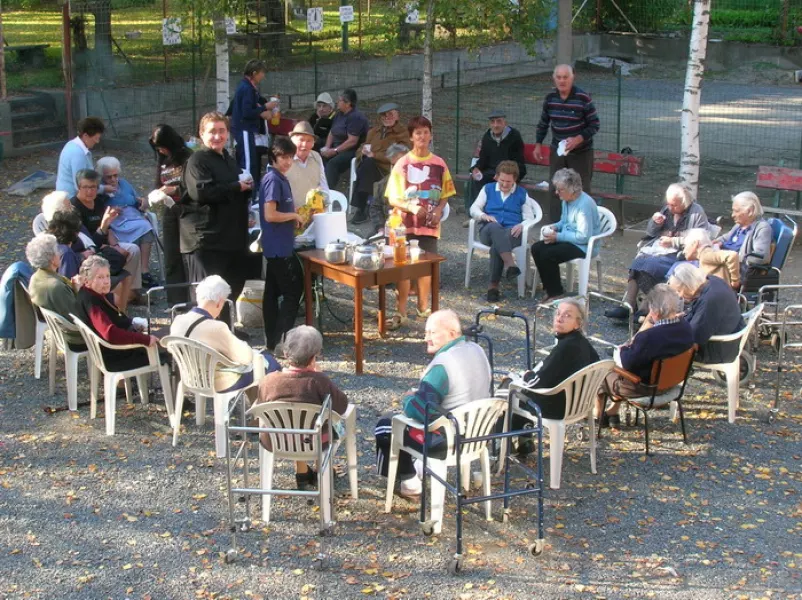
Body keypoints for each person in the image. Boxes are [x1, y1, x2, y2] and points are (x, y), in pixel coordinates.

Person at [374, 309, 492, 498]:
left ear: (452, 334)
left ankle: (409, 482)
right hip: (478, 434)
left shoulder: (443, 365)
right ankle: (417, 468)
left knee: (386, 425)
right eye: (426, 332)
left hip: (447, 441)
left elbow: (422, 411)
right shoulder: (477, 349)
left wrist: (408, 399)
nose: (426, 338)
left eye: (432, 333)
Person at [256, 325, 349, 490]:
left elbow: (262, 409)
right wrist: (320, 374)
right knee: (318, 423)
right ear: (314, 358)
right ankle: (322, 471)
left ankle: (302, 473)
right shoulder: (319, 381)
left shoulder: (268, 381)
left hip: (276, 439)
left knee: (292, 420)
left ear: (285, 354)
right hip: (315, 442)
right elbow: (341, 406)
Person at [384, 116, 456, 328]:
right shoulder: (402, 164)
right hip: (405, 225)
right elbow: (392, 197)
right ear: (411, 137)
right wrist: (412, 207)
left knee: (426, 267)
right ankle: (401, 311)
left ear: (430, 135)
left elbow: (446, 193)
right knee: (404, 268)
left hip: (430, 225)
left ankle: (424, 310)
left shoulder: (439, 163)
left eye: (425, 132)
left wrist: (440, 210)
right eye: (418, 133)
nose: (422, 136)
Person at [181, 111, 252, 323]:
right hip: (206, 240)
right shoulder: (197, 160)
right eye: (212, 132)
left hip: (232, 237)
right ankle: (204, 339)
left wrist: (245, 189)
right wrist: (235, 187)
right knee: (208, 296)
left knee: (232, 288)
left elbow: (236, 190)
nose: (217, 136)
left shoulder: (228, 160)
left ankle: (226, 331)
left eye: (222, 131)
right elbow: (201, 192)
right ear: (202, 135)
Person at [595, 284, 695, 428]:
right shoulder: (686, 328)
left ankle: (598, 416)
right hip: (672, 383)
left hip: (646, 388)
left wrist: (620, 350)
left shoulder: (649, 337)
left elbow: (627, 364)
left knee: (603, 371)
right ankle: (612, 412)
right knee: (620, 374)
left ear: (655, 311)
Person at [605, 183, 708, 320]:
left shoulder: (696, 213)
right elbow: (651, 233)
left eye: (674, 205)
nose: (670, 208)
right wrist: (655, 223)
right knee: (639, 262)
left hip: (680, 256)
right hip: (660, 250)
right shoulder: (667, 210)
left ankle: (644, 308)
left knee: (649, 266)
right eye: (669, 204)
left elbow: (698, 241)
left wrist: (673, 241)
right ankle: (628, 305)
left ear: (685, 202)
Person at [514, 299, 600, 450]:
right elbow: (596, 363)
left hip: (556, 406)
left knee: (510, 392)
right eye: (558, 314)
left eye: (567, 315)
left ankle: (502, 448)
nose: (559, 318)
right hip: (579, 404)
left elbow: (538, 383)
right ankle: (524, 437)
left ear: (578, 324)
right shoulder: (583, 343)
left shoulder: (564, 348)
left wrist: (526, 375)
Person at [170, 275, 280, 393]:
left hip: (190, 377)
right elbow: (246, 357)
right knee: (270, 363)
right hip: (216, 381)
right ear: (219, 302)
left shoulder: (178, 321)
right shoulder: (216, 328)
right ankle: (262, 409)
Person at [534, 65, 600, 221]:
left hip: (581, 153)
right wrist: (538, 143)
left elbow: (595, 125)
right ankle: (556, 224)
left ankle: (582, 222)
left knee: (580, 188)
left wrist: (578, 139)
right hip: (558, 150)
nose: (562, 81)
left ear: (573, 77)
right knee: (556, 188)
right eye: (559, 77)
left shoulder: (583, 98)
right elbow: (543, 122)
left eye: (565, 77)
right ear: (554, 78)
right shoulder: (550, 98)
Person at [70, 169, 143, 310]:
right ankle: (113, 293)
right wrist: (103, 230)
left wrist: (115, 245)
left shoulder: (98, 202)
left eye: (94, 187)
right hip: (88, 249)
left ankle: (131, 292)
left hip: (104, 242)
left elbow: (108, 229)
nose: (91, 191)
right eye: (86, 187)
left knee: (132, 249)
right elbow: (85, 241)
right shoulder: (75, 208)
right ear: (79, 187)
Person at [75, 255, 162, 372]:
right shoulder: (91, 302)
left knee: (163, 336)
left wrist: (132, 322)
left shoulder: (89, 294)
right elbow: (110, 333)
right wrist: (144, 339)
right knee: (171, 350)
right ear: (87, 281)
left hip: (112, 352)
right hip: (116, 356)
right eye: (100, 277)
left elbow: (114, 319)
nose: (106, 281)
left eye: (107, 276)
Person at [258, 136, 305, 351]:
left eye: (290, 157)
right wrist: (292, 216)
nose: (287, 161)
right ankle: (281, 340)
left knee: (271, 292)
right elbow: (270, 214)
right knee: (293, 292)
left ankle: (272, 340)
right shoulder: (273, 179)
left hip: (279, 244)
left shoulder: (279, 177)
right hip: (278, 248)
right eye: (283, 157)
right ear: (273, 157)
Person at [469, 160, 540, 302]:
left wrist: (522, 225)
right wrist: (483, 215)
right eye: (502, 180)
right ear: (496, 177)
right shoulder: (488, 189)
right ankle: (510, 264)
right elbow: (474, 208)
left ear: (515, 180)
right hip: (488, 229)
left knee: (498, 245)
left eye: (509, 181)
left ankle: (493, 287)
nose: (504, 184)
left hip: (512, 232)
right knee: (495, 228)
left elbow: (529, 217)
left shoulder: (521, 193)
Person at [530, 168, 601, 301]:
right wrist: (555, 227)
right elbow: (564, 221)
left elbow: (583, 236)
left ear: (572, 189)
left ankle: (557, 293)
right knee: (537, 248)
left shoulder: (584, 205)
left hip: (584, 246)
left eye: (560, 189)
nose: (557, 192)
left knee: (548, 254)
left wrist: (557, 237)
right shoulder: (566, 200)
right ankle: (550, 288)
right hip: (569, 240)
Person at [96, 156, 157, 288]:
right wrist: (111, 209)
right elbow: (98, 210)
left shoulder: (124, 184)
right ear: (102, 176)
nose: (113, 179)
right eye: (109, 177)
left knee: (145, 226)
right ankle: (132, 273)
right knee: (142, 227)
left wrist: (143, 202)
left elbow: (136, 200)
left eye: (115, 175)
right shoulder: (100, 188)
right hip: (114, 221)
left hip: (132, 217)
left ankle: (144, 270)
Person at [667, 263, 744, 364]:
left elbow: (691, 339)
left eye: (679, 290)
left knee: (663, 342)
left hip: (718, 350)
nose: (680, 295)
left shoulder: (709, 300)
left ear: (688, 284)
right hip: (731, 333)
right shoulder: (712, 280)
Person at [150, 124, 192, 304]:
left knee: (188, 255)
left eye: (162, 147)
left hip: (186, 209)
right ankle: (175, 301)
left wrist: (172, 189)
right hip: (169, 210)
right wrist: (157, 194)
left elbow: (193, 185)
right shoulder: (162, 158)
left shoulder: (188, 157)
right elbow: (157, 183)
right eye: (158, 148)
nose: (160, 151)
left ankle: (191, 297)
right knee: (171, 255)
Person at [350, 103, 410, 224]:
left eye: (391, 114)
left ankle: (362, 208)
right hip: (370, 167)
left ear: (397, 116)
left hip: (388, 169)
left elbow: (401, 156)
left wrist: (375, 155)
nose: (387, 117)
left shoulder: (403, 133)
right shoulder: (374, 132)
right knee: (367, 164)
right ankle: (365, 206)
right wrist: (363, 151)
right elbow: (361, 147)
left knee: (367, 165)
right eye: (384, 115)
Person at [463, 110, 527, 223]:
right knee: (475, 179)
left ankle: (499, 213)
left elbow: (519, 162)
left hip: (509, 172)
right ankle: (475, 215)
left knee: (504, 182)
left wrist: (508, 175)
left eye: (499, 121)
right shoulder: (487, 136)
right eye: (493, 122)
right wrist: (475, 169)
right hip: (492, 172)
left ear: (504, 123)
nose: (495, 125)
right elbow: (483, 159)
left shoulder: (514, 136)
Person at [25, 233, 85, 350]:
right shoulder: (56, 287)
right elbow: (77, 316)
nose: (59, 253)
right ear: (52, 259)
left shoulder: (36, 277)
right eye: (57, 251)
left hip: (58, 330)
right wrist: (79, 290)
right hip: (76, 337)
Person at [230, 59, 278, 186]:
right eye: (262, 73)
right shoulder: (247, 89)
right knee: (248, 163)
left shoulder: (247, 87)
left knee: (249, 161)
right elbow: (247, 112)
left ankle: (251, 192)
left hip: (246, 130)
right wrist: (265, 107)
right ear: (255, 73)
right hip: (244, 129)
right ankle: (249, 193)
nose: (263, 76)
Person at [713, 191, 772, 285]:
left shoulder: (762, 228)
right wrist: (714, 242)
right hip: (720, 261)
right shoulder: (739, 225)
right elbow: (725, 238)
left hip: (733, 270)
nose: (732, 215)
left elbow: (762, 257)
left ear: (749, 211)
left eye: (736, 211)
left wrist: (733, 258)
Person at [320, 88, 369, 189]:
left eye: (340, 100)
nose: (337, 102)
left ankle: (329, 193)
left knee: (333, 163)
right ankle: (320, 186)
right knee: (318, 154)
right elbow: (332, 132)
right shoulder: (339, 114)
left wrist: (334, 151)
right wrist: (327, 147)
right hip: (337, 147)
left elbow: (352, 141)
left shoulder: (355, 117)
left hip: (352, 150)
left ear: (348, 103)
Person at [56, 117, 107, 198]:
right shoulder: (78, 153)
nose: (97, 141)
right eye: (96, 138)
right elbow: (80, 185)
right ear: (85, 136)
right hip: (71, 199)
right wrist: (104, 189)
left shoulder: (72, 144)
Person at [675, 228, 741, 289]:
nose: (684, 251)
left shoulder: (705, 254)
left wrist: (735, 281)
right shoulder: (703, 256)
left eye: (685, 246)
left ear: (695, 243)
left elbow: (732, 255)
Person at [368, 143, 410, 235]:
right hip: (388, 227)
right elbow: (375, 207)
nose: (398, 168)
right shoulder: (383, 183)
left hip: (411, 229)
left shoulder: (418, 182)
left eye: (402, 163)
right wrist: (380, 227)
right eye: (394, 165)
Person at [286, 121, 329, 209]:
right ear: (292, 141)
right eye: (301, 140)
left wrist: (325, 203)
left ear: (313, 143)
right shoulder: (283, 158)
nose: (304, 145)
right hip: (290, 213)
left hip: (315, 211)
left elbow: (323, 184)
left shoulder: (316, 157)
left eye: (309, 141)